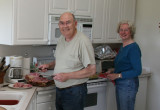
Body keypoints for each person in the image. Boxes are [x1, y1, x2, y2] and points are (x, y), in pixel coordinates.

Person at [39, 12, 96, 110]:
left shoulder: (83, 41)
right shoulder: (62, 39)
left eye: (68, 22)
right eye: (62, 23)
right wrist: (48, 65)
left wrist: (67, 76)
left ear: (75, 23)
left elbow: (91, 70)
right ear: (59, 25)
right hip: (60, 90)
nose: (65, 26)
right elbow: (61, 60)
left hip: (75, 91)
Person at [106, 20, 142, 110]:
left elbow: (137, 70)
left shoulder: (133, 48)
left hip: (128, 84)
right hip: (121, 83)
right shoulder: (123, 46)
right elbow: (125, 65)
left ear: (131, 32)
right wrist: (113, 70)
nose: (123, 32)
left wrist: (117, 75)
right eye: (121, 30)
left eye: (126, 30)